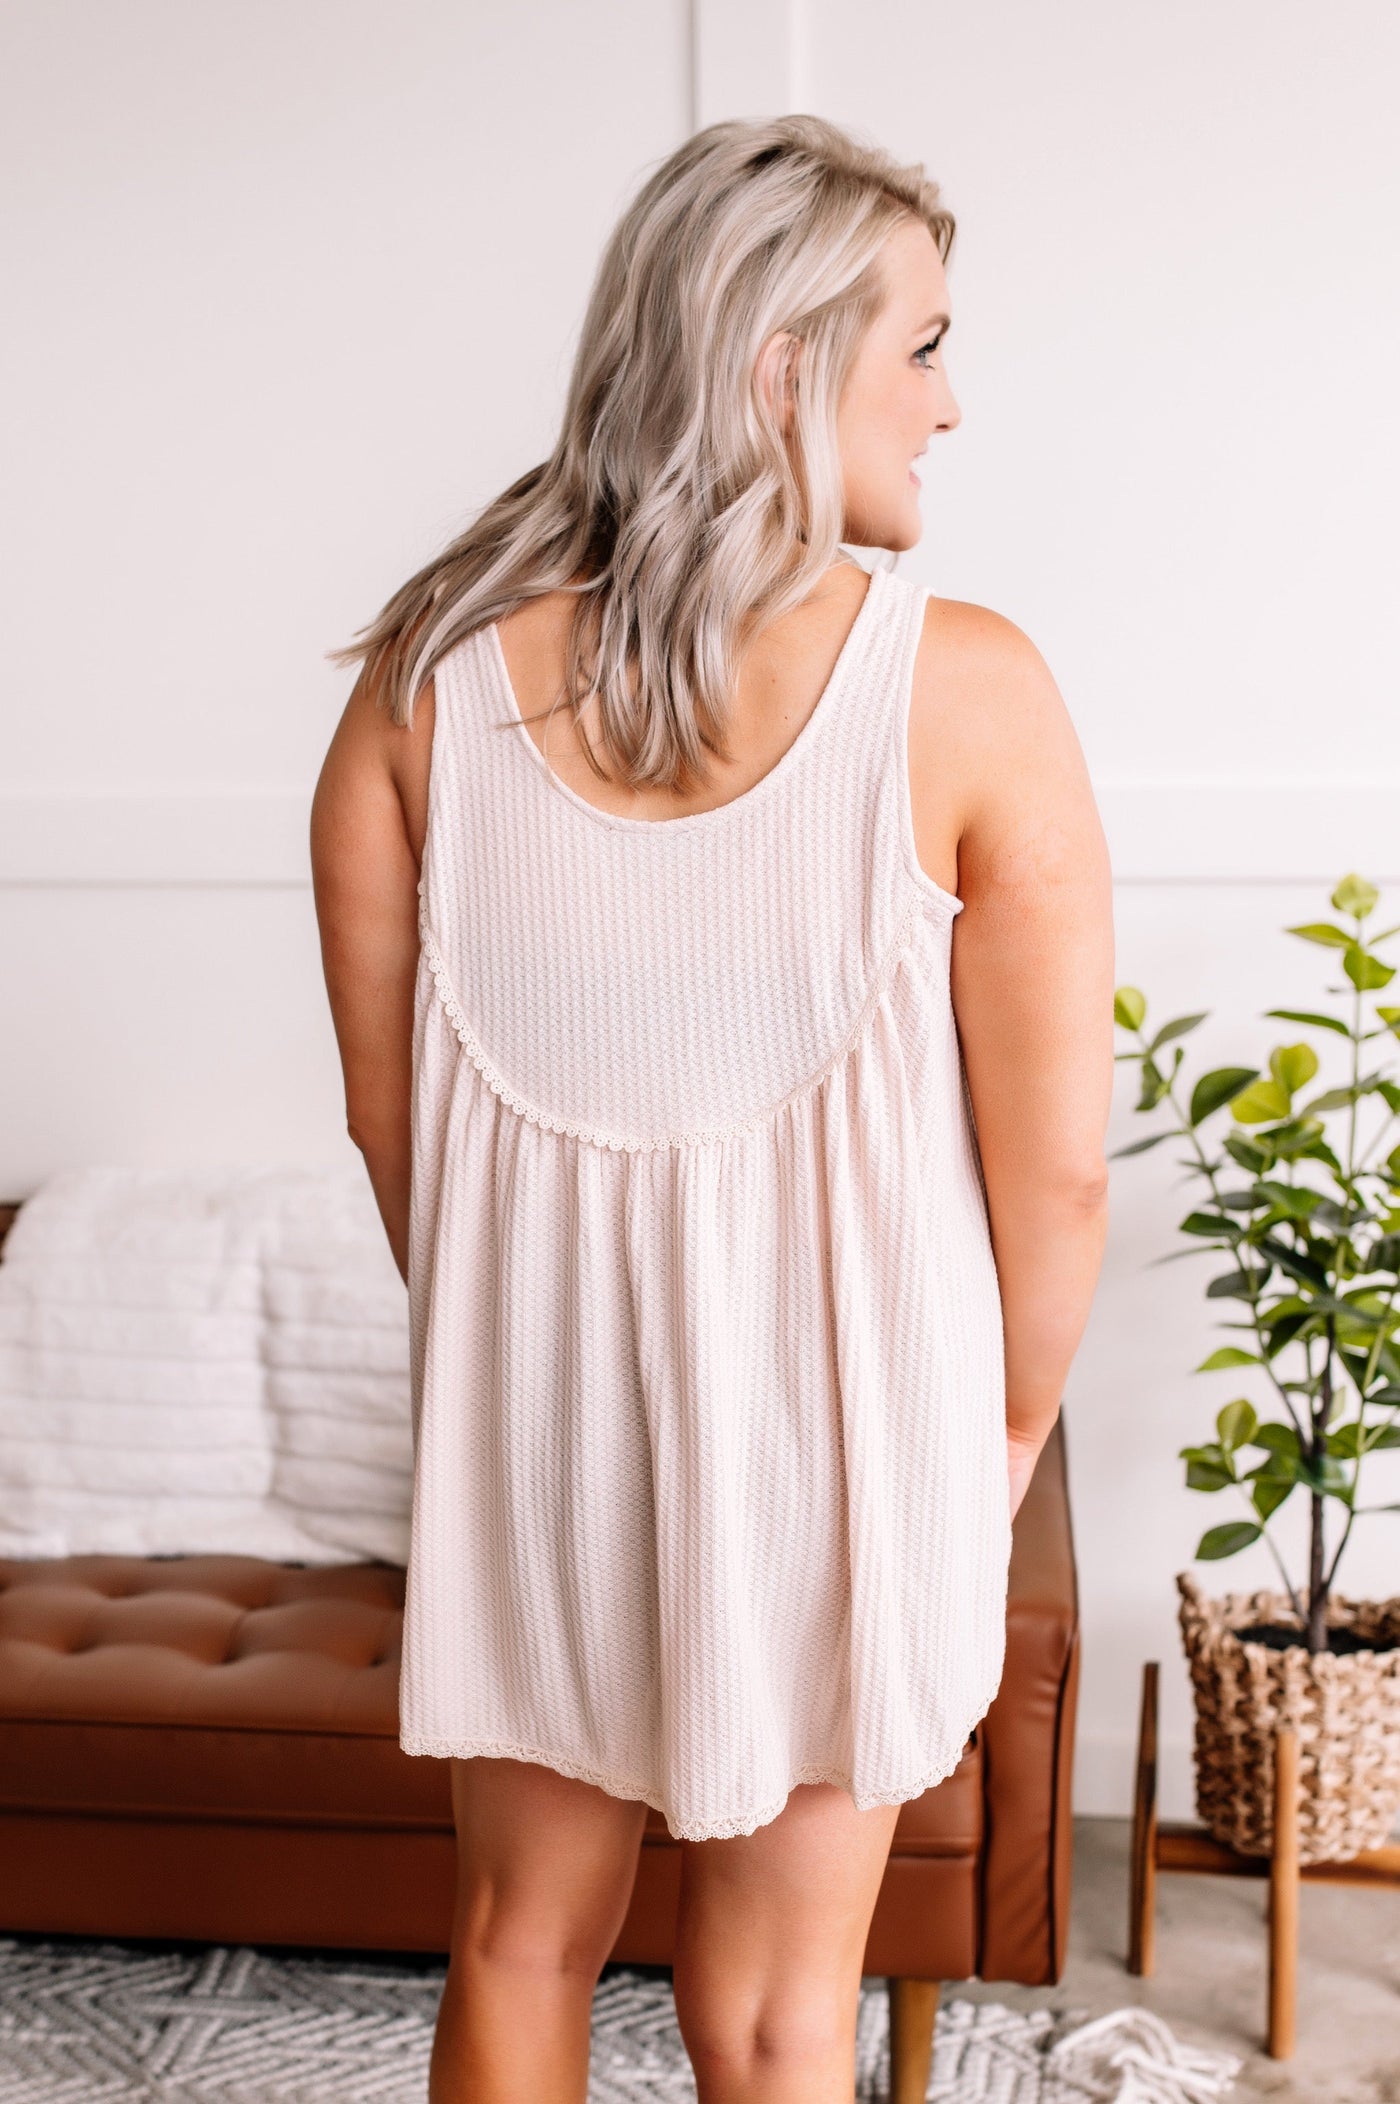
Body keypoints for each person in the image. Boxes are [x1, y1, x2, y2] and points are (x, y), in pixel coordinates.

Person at [310, 111, 1113, 2104]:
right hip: (855, 1438)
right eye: (923, 346)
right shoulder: (973, 690)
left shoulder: (414, 690)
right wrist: (994, 1439)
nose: (949, 403)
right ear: (781, 365)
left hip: (533, 1423)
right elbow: (1059, 1183)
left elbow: (399, 1144)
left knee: (518, 1938)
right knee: (772, 2018)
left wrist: (539, 1363)